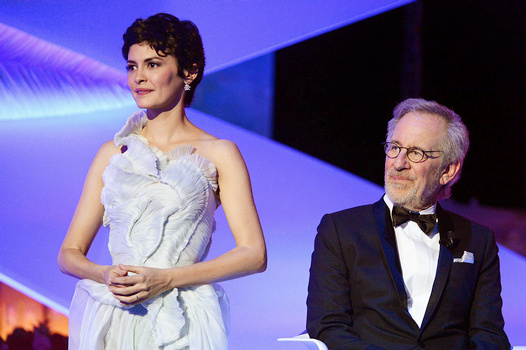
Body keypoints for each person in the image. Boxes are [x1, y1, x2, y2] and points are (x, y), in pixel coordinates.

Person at [58, 13, 266, 350]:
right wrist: (104, 273)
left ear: (190, 72)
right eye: (131, 66)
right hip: (115, 315)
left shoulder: (221, 153)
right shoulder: (112, 153)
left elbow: (254, 254)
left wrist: (167, 278)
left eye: (152, 64)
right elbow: (69, 253)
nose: (138, 77)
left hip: (181, 319)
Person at [306, 98, 510, 349]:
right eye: (394, 147)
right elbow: (328, 326)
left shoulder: (478, 240)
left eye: (416, 153)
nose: (398, 163)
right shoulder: (340, 231)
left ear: (448, 170)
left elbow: (489, 335)